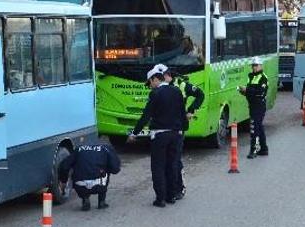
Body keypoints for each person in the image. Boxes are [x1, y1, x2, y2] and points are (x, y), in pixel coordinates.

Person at [129, 66, 187, 208]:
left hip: (160, 135)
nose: (150, 86)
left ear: (155, 79)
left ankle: (160, 199)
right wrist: (182, 130)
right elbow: (182, 113)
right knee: (172, 165)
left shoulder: (156, 94)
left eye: (150, 83)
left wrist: (134, 133)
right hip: (176, 134)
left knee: (158, 166)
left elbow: (146, 115)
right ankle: (171, 196)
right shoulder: (177, 91)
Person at [154, 64, 204, 200]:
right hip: (165, 127)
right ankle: (167, 189)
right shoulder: (160, 87)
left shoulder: (182, 85)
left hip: (179, 126)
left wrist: (191, 110)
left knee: (175, 159)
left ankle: (179, 187)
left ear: (167, 75)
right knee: (165, 159)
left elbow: (200, 95)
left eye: (161, 77)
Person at [58, 144, 121, 211]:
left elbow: (64, 166)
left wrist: (63, 181)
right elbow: (115, 169)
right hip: (99, 185)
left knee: (79, 170)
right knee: (105, 172)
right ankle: (101, 202)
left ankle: (85, 199)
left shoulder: (78, 149)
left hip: (80, 185)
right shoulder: (106, 149)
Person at [238, 57, 269, 159]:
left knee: (254, 128)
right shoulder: (251, 77)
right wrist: (244, 92)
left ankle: (253, 150)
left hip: (259, 106)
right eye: (253, 65)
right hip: (252, 105)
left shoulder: (263, 78)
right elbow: (251, 91)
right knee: (259, 127)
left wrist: (247, 90)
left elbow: (260, 92)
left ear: (260, 66)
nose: (254, 67)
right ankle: (264, 149)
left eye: (256, 65)